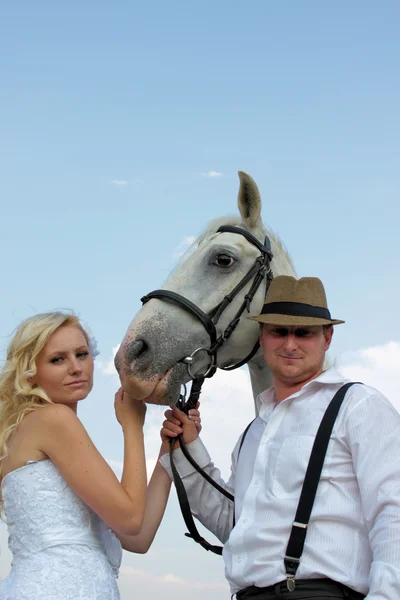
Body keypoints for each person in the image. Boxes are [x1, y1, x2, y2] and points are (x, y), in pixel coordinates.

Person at [160, 276, 400, 600]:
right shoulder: (254, 431)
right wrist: (187, 447)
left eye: (304, 332)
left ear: (327, 338)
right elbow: (234, 523)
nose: (290, 344)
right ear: (262, 336)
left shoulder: (358, 406)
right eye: (279, 331)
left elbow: (393, 510)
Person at [0, 311, 200, 600]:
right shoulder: (53, 419)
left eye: (81, 354)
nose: (76, 367)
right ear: (30, 372)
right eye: (58, 359)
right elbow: (131, 519)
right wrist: (132, 426)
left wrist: (168, 451)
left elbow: (138, 537)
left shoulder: (28, 428)